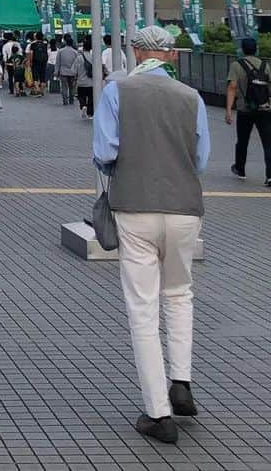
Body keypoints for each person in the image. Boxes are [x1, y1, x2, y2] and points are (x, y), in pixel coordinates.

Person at [93, 25, 209, 445]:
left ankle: (158, 412)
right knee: (180, 294)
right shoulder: (191, 97)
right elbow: (200, 159)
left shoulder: (116, 91)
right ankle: (182, 381)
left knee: (143, 308)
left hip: (134, 207)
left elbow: (105, 153)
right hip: (184, 209)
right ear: (170, 56)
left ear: (137, 52)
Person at [225, 37, 271, 186]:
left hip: (245, 109)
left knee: (242, 141)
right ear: (256, 49)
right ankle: (269, 176)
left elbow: (232, 86)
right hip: (264, 109)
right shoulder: (265, 65)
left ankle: (240, 169)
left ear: (242, 49)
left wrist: (228, 111)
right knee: (268, 143)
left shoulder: (236, 65)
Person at [56, 34, 81, 107]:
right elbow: (77, 63)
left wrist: (56, 71)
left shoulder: (60, 51)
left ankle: (65, 100)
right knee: (72, 87)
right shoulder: (75, 52)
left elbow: (58, 62)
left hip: (63, 71)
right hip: (72, 72)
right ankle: (71, 100)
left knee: (64, 87)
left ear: (66, 42)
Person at [76, 35, 95, 118]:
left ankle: (83, 106)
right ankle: (90, 113)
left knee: (81, 96)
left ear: (83, 47)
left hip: (81, 82)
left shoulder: (79, 57)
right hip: (92, 82)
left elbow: (74, 70)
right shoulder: (94, 57)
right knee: (91, 98)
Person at [29, 32, 48, 96]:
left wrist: (31, 62)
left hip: (35, 62)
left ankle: (38, 90)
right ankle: (42, 91)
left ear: (36, 37)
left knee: (35, 77)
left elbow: (31, 53)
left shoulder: (33, 44)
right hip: (44, 62)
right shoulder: (45, 44)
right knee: (43, 77)